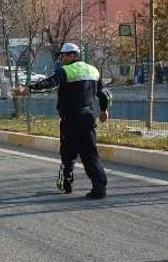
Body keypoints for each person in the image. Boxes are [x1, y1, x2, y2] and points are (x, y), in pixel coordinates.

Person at [13, 42, 112, 199]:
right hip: (88, 119)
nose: (62, 58)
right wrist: (104, 109)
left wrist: (28, 89)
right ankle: (100, 187)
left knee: (67, 153)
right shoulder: (93, 70)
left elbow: (49, 85)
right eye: (61, 56)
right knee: (90, 154)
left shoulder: (65, 70)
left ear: (73, 55)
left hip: (71, 120)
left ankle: (66, 183)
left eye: (64, 55)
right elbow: (105, 93)